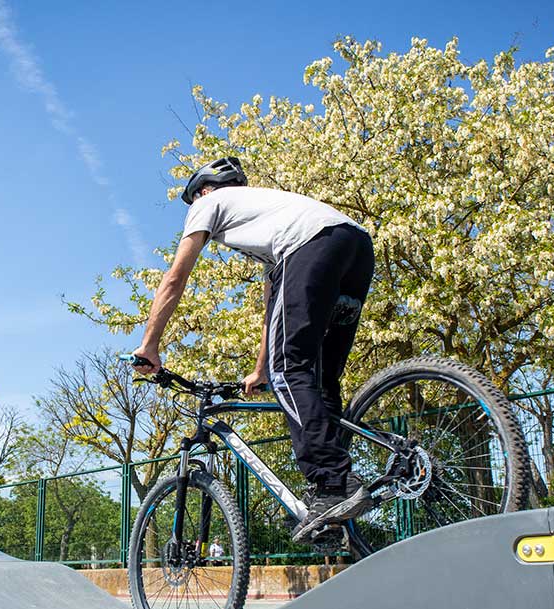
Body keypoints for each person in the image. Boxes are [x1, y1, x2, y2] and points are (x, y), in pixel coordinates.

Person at [130, 157, 376, 543]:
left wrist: (150, 344)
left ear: (205, 191)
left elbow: (175, 277)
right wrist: (261, 369)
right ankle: (338, 495)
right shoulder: (271, 221)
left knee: (290, 371)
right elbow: (273, 305)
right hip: (355, 247)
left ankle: (331, 484)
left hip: (312, 248)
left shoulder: (209, 204)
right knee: (319, 377)